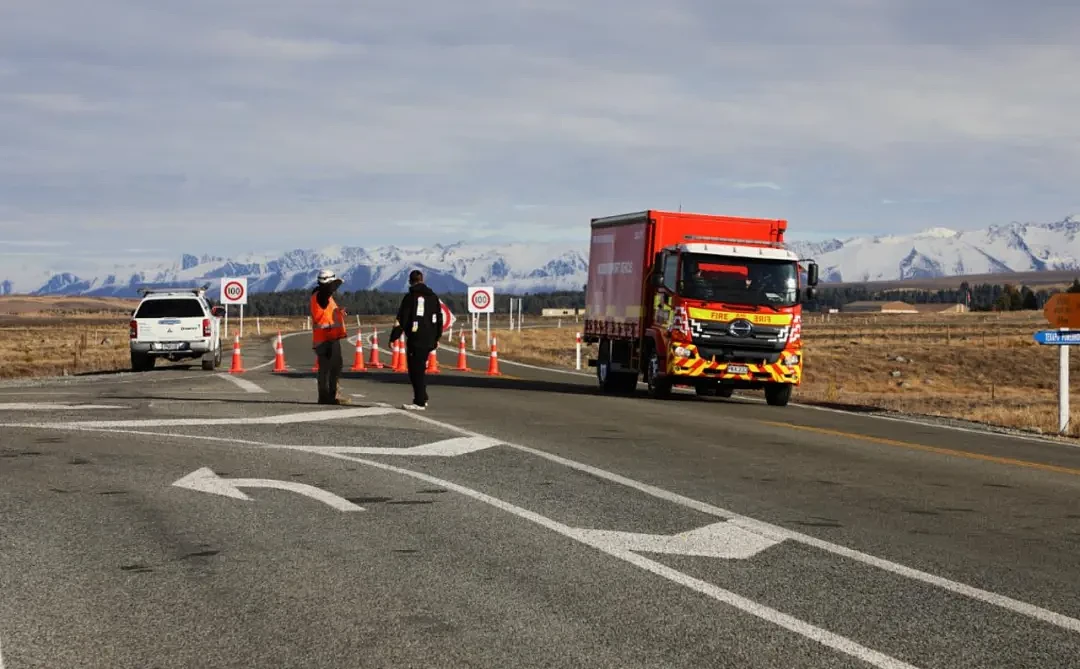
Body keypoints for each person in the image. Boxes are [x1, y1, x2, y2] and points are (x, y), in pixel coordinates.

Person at [388, 270, 443, 410]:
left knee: (415, 371)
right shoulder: (433, 297)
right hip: (430, 338)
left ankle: (419, 401)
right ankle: (423, 397)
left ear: (410, 281)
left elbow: (402, 319)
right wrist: (437, 337)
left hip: (416, 338)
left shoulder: (410, 297)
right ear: (422, 279)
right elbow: (439, 318)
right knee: (421, 369)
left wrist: (393, 337)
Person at [310, 269, 351, 405]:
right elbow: (327, 290)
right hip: (325, 338)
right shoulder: (321, 295)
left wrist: (339, 312)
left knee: (335, 367)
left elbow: (326, 312)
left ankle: (331, 395)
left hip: (329, 337)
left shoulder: (322, 296)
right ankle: (326, 397)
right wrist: (338, 282)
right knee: (328, 369)